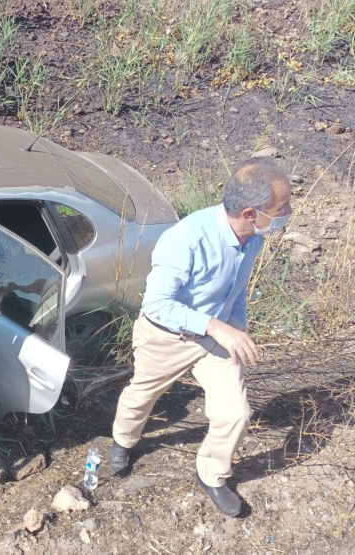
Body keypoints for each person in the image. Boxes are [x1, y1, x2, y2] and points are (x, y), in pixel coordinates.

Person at [110, 158, 292, 517]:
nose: (289, 212)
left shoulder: (252, 237)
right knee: (142, 396)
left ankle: (212, 473)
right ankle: (123, 441)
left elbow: (236, 289)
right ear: (251, 212)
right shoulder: (186, 239)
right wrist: (215, 326)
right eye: (282, 208)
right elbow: (158, 305)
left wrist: (234, 325)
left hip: (214, 337)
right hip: (166, 337)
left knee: (236, 412)